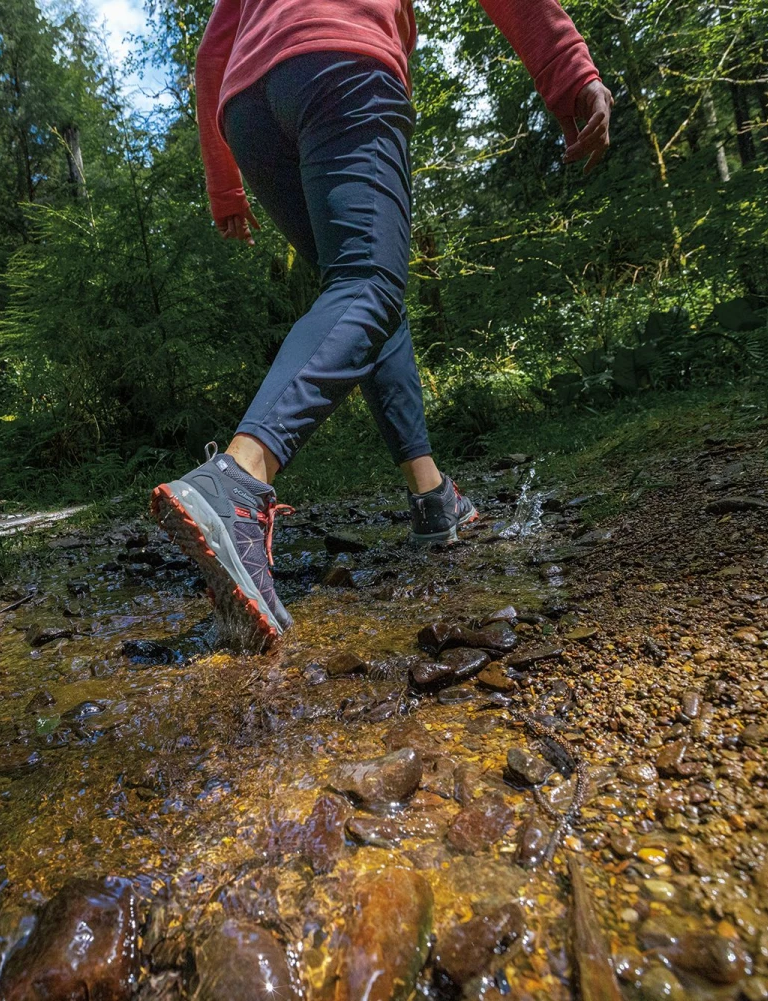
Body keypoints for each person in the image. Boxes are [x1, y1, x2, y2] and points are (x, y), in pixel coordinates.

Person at [151, 0, 613, 650]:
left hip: (249, 110)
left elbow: (209, 55)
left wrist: (224, 180)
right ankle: (236, 478)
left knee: (365, 292)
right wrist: (568, 69)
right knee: (368, 283)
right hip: (339, 61)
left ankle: (433, 499)